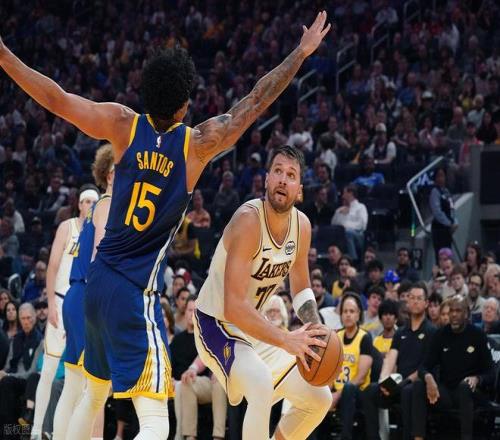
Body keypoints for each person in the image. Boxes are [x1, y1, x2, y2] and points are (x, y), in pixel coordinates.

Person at [0, 11, 332, 438]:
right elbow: (254, 102)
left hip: (96, 283)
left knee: (93, 393)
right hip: (132, 292)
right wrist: (299, 54)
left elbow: (58, 99)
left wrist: (5, 57)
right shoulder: (195, 146)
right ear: (184, 105)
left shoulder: (122, 124)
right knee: (156, 419)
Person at [195, 145, 333, 440]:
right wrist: (286, 339)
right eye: (278, 171)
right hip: (215, 323)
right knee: (260, 384)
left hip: (253, 328)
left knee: (319, 398)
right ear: (267, 179)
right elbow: (233, 307)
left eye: (291, 175)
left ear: (300, 190)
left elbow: (301, 288)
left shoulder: (302, 226)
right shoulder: (248, 220)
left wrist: (317, 329)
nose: (283, 179)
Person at [53, 144, 114, 440]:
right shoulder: (108, 204)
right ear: (110, 175)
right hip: (88, 295)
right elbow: (98, 255)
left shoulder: (97, 207)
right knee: (95, 386)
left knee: (74, 386)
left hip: (75, 295)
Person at [31, 184, 99, 437]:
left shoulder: (99, 233)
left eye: (94, 201)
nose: (90, 205)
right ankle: (36, 430)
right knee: (48, 369)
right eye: (86, 201)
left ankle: (72, 432)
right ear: (79, 204)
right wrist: (50, 303)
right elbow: (52, 267)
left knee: (80, 378)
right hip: (61, 302)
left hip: (84, 307)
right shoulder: (67, 227)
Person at [413, 295, 494, 440]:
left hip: (472, 392)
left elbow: (491, 373)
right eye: (451, 311)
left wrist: (477, 379)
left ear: (466, 313)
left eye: (458, 311)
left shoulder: (478, 335)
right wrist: (428, 377)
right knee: (419, 384)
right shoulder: (440, 334)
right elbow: (423, 366)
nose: (454, 315)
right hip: (447, 392)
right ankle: (418, 437)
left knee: (464, 386)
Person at [364, 282, 437, 440]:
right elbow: (390, 359)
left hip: (417, 384)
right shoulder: (400, 332)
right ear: (407, 301)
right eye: (412, 298)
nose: (415, 301)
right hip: (398, 382)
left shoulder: (432, 331)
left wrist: (404, 382)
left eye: (419, 298)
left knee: (407, 390)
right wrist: (384, 381)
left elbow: (426, 366)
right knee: (371, 391)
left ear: (426, 303)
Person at [171, 296, 226, 440]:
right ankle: (190, 436)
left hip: (223, 380)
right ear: (185, 312)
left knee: (219, 382)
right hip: (202, 382)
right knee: (186, 381)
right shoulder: (178, 340)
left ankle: (218, 437)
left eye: (196, 311)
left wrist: (220, 372)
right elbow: (202, 357)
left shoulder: (212, 332)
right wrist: (192, 369)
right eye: (190, 310)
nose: (193, 314)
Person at [331, 292, 373, 440]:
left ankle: (346, 437)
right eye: (345, 311)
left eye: (352, 311)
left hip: (358, 393)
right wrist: (327, 392)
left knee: (349, 388)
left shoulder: (365, 337)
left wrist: (338, 395)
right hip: (336, 390)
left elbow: (360, 378)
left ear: (358, 314)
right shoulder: (336, 336)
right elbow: (329, 369)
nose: (348, 315)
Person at [331, 184, 368, 263]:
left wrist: (345, 226)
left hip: (357, 235)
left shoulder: (361, 207)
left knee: (348, 233)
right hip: (341, 235)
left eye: (344, 193)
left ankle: (353, 260)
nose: (343, 196)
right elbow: (333, 224)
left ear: (350, 193)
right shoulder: (340, 210)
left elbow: (362, 225)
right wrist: (340, 214)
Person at [430, 168, 458, 263]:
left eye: (442, 176)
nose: (440, 179)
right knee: (441, 255)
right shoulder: (434, 192)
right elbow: (437, 211)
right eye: (438, 176)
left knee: (448, 255)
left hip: (447, 229)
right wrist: (448, 223)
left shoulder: (446, 191)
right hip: (439, 229)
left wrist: (454, 221)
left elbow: (452, 208)